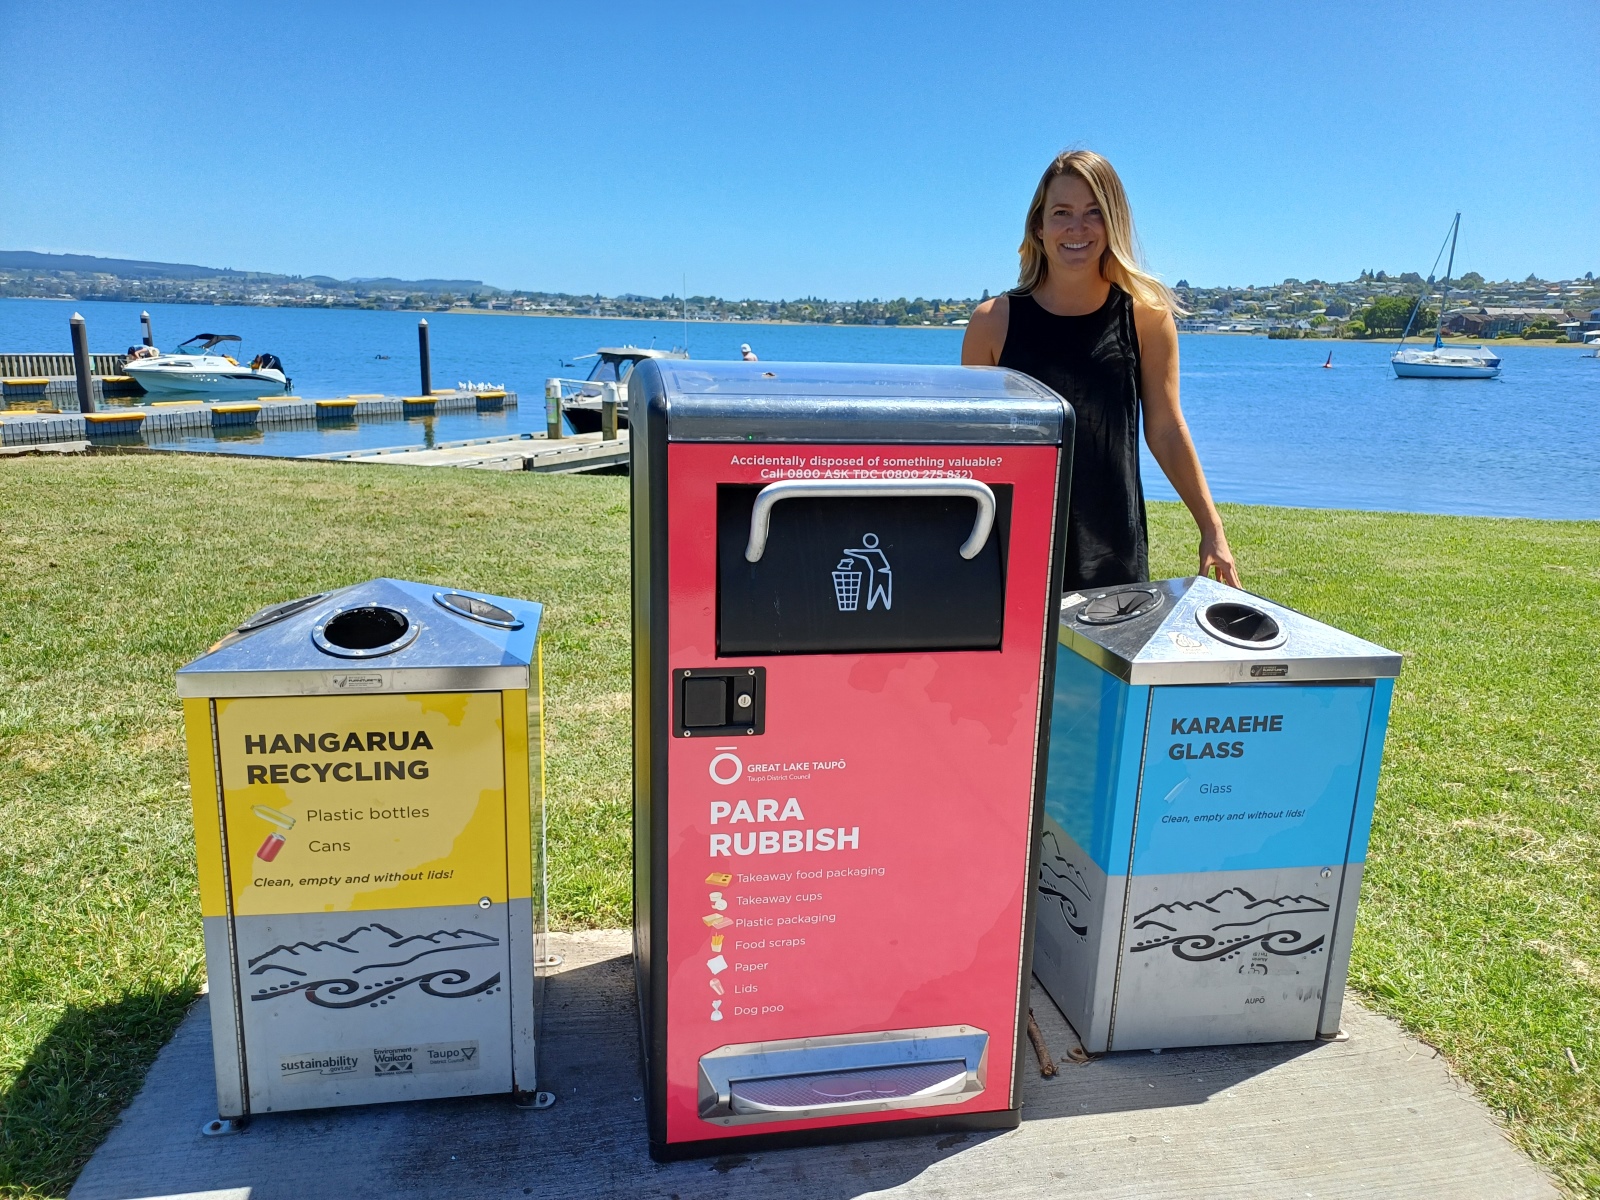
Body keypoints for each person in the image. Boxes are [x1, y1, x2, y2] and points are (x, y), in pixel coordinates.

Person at [963, 150, 1239, 591]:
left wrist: (1212, 528)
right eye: (1062, 213)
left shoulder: (1146, 318)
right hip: (1010, 547)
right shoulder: (992, 322)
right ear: (1038, 226)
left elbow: (1166, 429)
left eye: (1095, 212)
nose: (1078, 228)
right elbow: (971, 447)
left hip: (1113, 551)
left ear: (1114, 223)